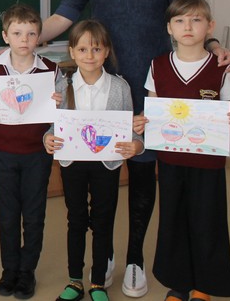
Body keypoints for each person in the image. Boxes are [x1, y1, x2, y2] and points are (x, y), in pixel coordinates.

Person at [39, 0, 230, 297]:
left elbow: (187, 14)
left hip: (155, 85)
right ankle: (105, 254)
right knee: (103, 174)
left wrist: (214, 45)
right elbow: (65, 14)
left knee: (144, 171)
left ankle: (134, 259)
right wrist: (24, 42)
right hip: (102, 86)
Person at [139, 0, 230, 301]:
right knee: (173, 219)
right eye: (180, 20)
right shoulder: (158, 65)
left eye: (196, 20)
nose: (188, 26)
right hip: (171, 161)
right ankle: (179, 284)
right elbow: (152, 110)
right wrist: (142, 121)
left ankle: (204, 286)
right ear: (169, 28)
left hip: (208, 163)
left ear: (210, 26)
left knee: (207, 221)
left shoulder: (221, 68)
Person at [44, 20, 144, 301]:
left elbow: (131, 129)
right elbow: (52, 126)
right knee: (76, 220)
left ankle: (98, 281)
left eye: (96, 49)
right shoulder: (61, 86)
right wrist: (47, 139)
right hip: (72, 164)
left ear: (106, 52)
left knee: (103, 221)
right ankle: (75, 280)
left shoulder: (119, 87)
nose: (89, 55)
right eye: (83, 49)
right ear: (72, 52)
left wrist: (137, 145)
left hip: (107, 165)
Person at [0, 4, 59, 299]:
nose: (24, 39)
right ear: (6, 36)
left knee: (34, 214)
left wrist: (59, 102)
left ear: (39, 36)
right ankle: (9, 270)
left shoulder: (50, 70)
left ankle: (27, 272)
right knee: (7, 213)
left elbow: (61, 114)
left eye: (30, 33)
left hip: (37, 153)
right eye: (17, 33)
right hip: (3, 152)